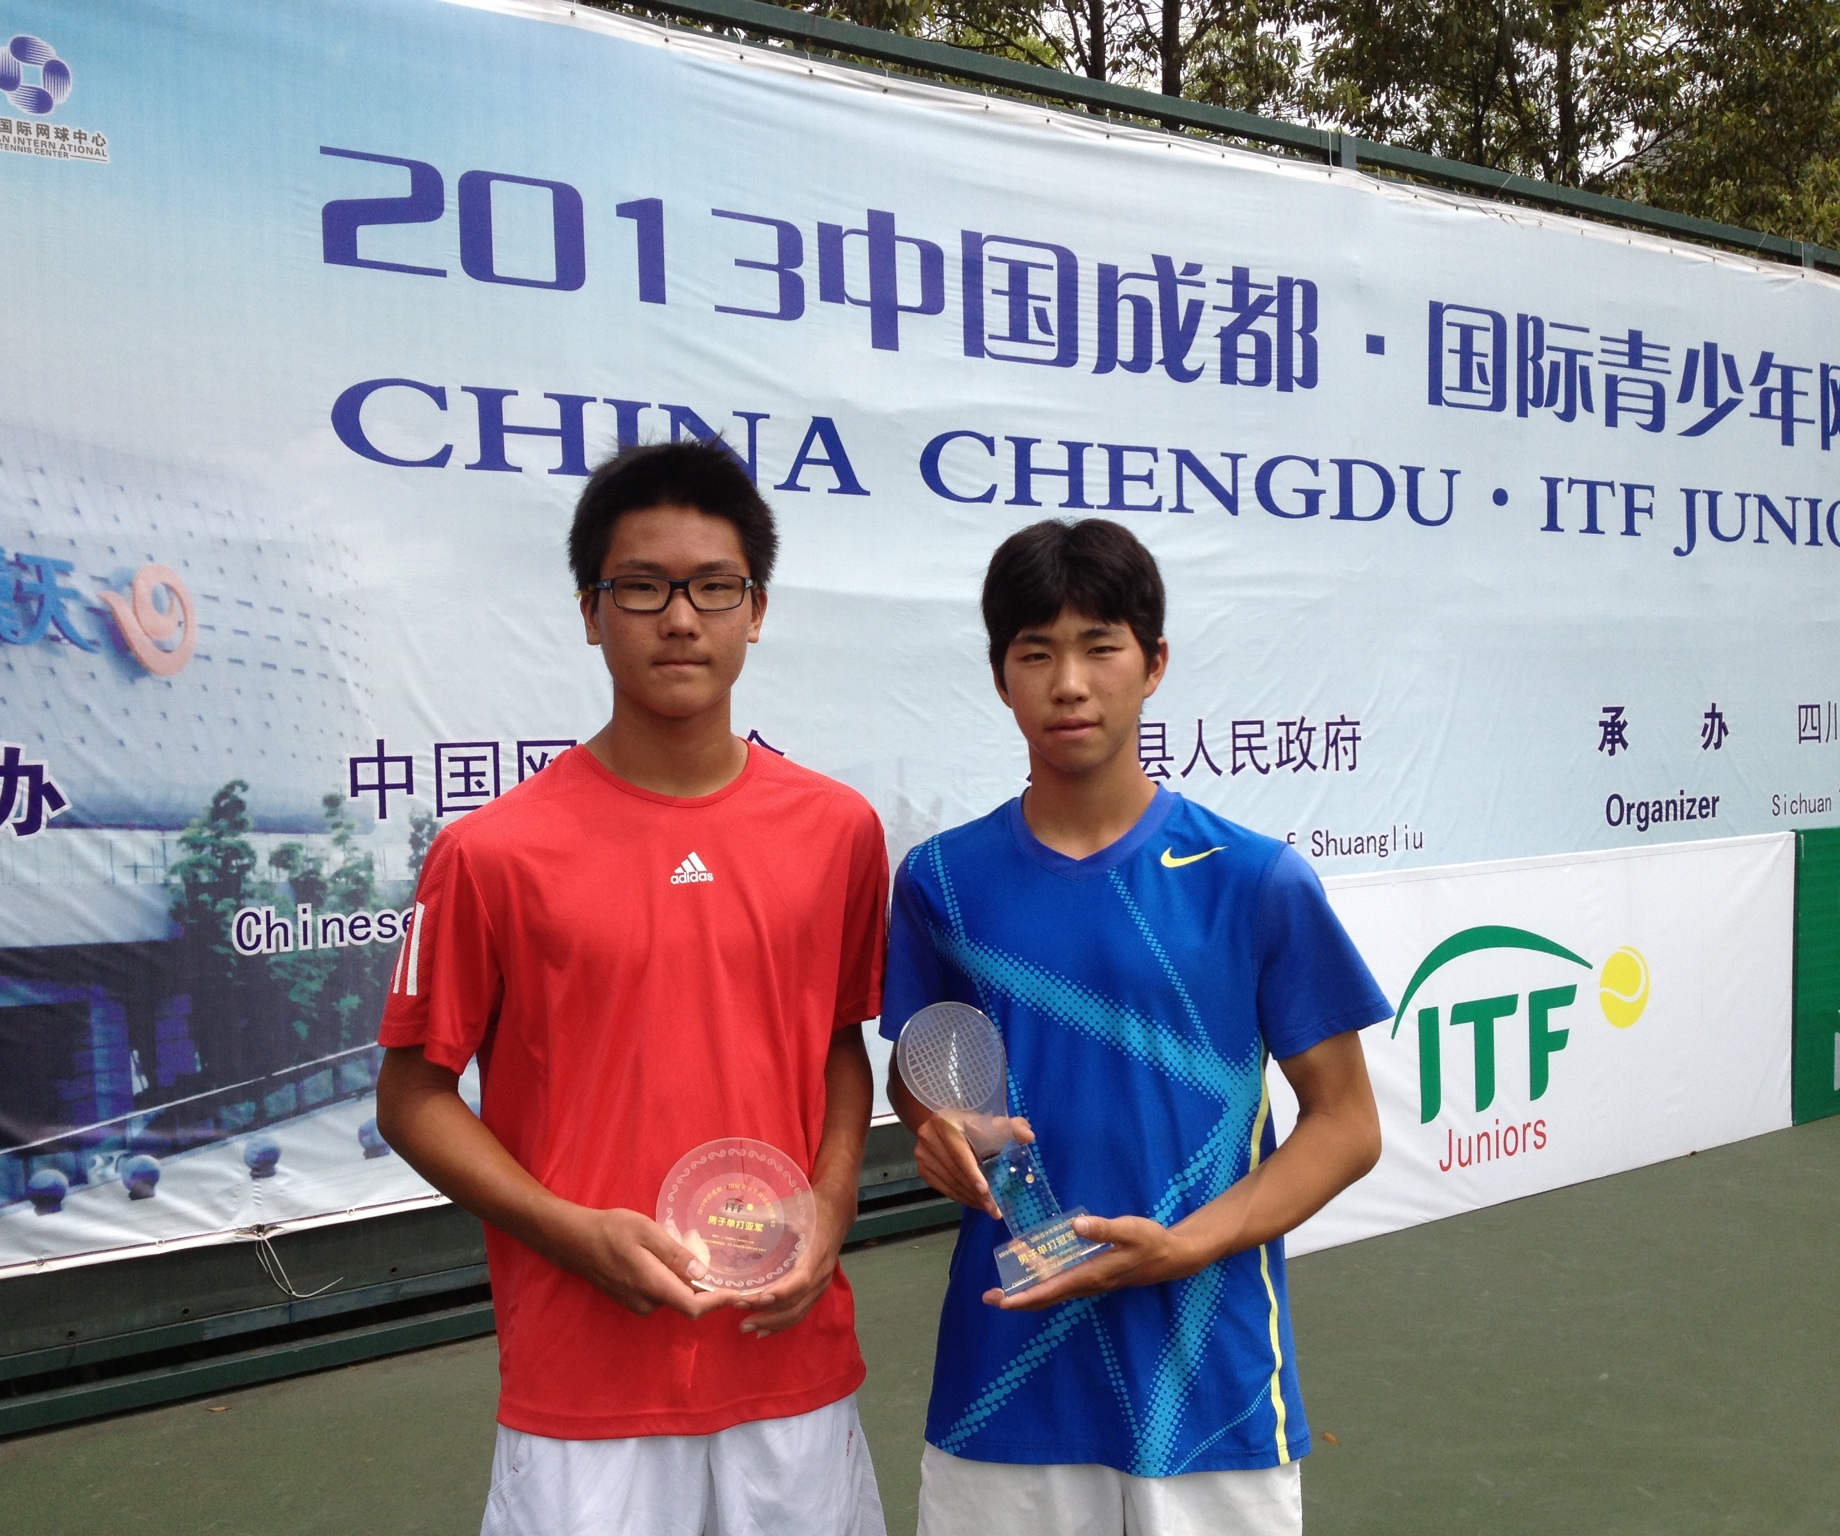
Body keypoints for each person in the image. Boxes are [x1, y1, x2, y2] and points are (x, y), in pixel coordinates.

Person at [375, 441, 889, 1536]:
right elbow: (411, 1098)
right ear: (590, 613)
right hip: (583, 1379)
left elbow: (838, 1041)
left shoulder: (836, 830)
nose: (680, 619)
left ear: (756, 611)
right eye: (643, 587)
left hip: (784, 1355)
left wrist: (834, 1203)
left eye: (714, 587)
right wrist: (569, 1231)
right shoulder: (490, 852)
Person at [881, 518, 1387, 1536]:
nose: (1068, 683)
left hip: (1209, 1390)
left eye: (1099, 647)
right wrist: (937, 1128)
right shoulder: (940, 880)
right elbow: (923, 1073)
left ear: (1152, 664)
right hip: (1002, 1383)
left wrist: (1182, 1246)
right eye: (1036, 653)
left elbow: (1345, 1124)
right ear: (1000, 677)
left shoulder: (1255, 879)